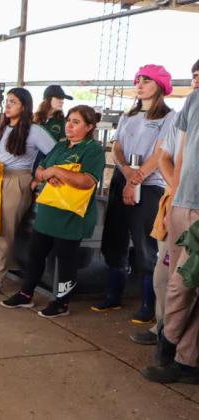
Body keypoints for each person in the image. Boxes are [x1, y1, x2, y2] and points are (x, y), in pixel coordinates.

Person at [1, 106, 106, 317]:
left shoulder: (92, 150)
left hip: (71, 214)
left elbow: (87, 181)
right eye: (69, 120)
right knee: (36, 254)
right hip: (49, 210)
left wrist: (58, 171)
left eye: (76, 122)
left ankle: (61, 302)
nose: (69, 125)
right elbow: (40, 171)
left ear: (89, 127)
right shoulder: (61, 146)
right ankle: (26, 294)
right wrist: (48, 173)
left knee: (66, 260)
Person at [92, 65, 176, 325]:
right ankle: (113, 293)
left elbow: (162, 154)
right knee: (114, 236)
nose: (139, 85)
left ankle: (149, 303)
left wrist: (138, 177)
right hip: (123, 178)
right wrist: (126, 171)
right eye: (138, 80)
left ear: (160, 86)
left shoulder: (169, 117)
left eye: (146, 81)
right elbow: (116, 146)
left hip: (150, 185)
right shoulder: (129, 115)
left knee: (145, 243)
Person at [132, 60, 199, 346]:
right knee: (166, 273)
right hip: (175, 203)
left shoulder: (175, 115)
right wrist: (177, 189)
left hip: (180, 201)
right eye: (195, 75)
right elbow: (166, 157)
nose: (197, 81)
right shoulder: (186, 113)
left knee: (184, 281)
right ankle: (162, 328)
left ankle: (174, 343)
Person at [0, 87, 56, 295]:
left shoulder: (34, 131)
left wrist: (38, 176)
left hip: (16, 179)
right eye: (6, 101)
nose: (7, 105)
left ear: (24, 106)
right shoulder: (1, 128)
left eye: (13, 102)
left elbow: (55, 151)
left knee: (2, 231)